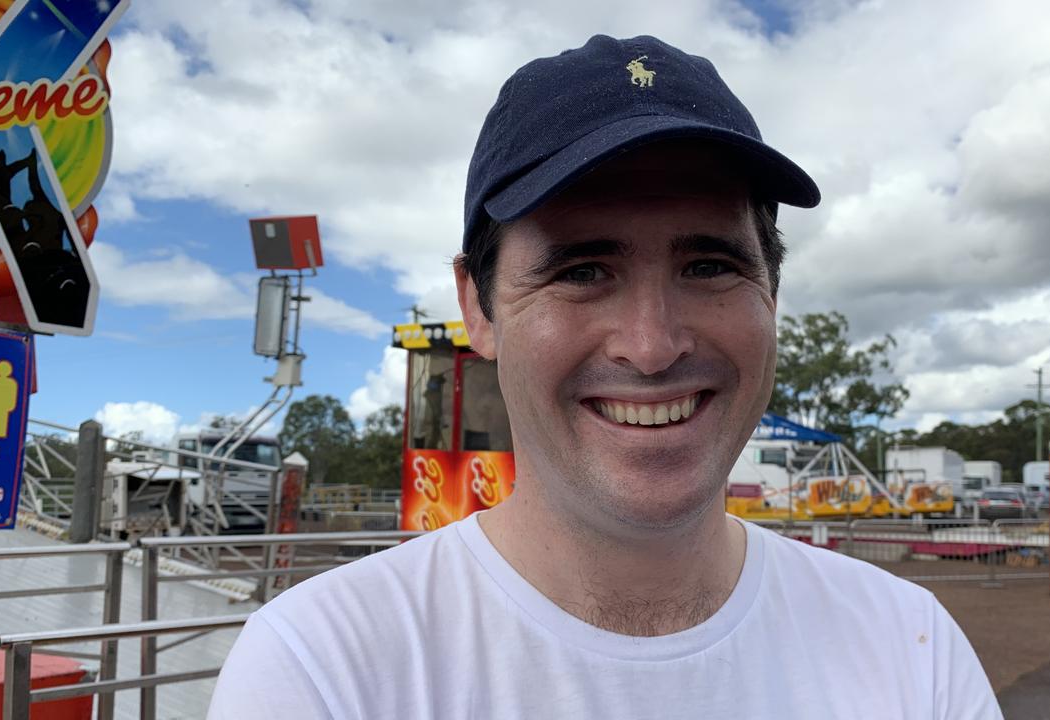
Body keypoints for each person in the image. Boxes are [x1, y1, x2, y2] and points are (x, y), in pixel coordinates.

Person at [209, 34, 1000, 719]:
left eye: (708, 264)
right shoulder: (324, 669)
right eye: (583, 270)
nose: (652, 346)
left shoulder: (909, 649)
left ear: (772, 294)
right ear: (477, 307)